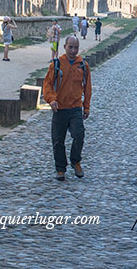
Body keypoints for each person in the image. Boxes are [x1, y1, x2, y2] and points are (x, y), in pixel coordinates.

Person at [42, 35, 92, 181]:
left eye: (76, 47)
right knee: (58, 140)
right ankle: (60, 168)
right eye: (70, 47)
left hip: (75, 108)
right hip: (59, 108)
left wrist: (86, 107)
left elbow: (87, 88)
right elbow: (47, 85)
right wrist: (51, 100)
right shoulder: (56, 64)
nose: (73, 50)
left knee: (79, 135)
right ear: (64, 47)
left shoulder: (83, 65)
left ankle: (75, 160)